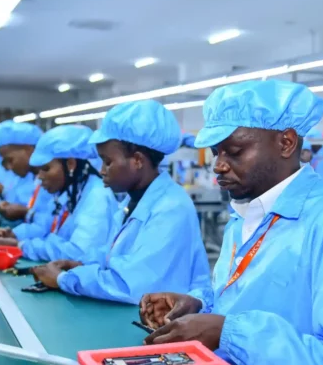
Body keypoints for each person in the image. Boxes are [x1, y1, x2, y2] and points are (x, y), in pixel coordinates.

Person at [139, 80, 323, 365]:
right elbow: (244, 297)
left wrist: (228, 334)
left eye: (234, 151)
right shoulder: (248, 207)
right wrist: (198, 304)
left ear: (285, 142)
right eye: (216, 153)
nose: (219, 166)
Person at [32, 100, 211, 304]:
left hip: (170, 322)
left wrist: (64, 279)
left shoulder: (171, 207)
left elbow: (132, 283)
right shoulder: (134, 199)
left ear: (137, 160)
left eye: (108, 162)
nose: (101, 171)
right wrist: (83, 263)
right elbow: (116, 252)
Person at [0, 125, 117, 262]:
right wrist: (15, 235)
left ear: (70, 164)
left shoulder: (96, 197)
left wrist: (22, 246)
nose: (39, 177)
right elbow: (46, 226)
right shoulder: (70, 192)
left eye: (45, 169)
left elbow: (77, 253)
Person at [0, 122, 43, 222]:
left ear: (29, 149)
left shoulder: (49, 180)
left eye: (10, 160)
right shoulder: (28, 175)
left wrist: (26, 213)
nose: (8, 168)